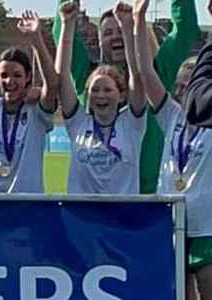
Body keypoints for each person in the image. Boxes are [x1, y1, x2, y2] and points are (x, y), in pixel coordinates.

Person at [52, 0, 201, 194]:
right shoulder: (88, 78)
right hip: (90, 205)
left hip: (148, 198)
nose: (116, 37)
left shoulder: (157, 74)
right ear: (98, 42)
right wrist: (67, 8)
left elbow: (185, 29)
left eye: (120, 30)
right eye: (107, 33)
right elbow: (62, 39)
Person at [144, 1, 212, 297]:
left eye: (190, 84)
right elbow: (145, 74)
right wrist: (135, 23)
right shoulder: (170, 114)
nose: (185, 90)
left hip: (207, 225)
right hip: (171, 220)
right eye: (181, 85)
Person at [57, 1, 146, 194]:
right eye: (95, 90)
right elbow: (62, 75)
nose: (100, 95)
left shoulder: (132, 124)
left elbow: (137, 75)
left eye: (107, 89)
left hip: (123, 221)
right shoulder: (78, 123)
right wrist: (67, 25)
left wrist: (128, 29)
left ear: (122, 94)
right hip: (82, 220)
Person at [0, 11, 58, 193]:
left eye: (17, 75)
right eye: (3, 75)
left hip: (27, 207)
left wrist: (36, 40)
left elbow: (52, 84)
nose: (9, 81)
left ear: (28, 77)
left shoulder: (37, 111)